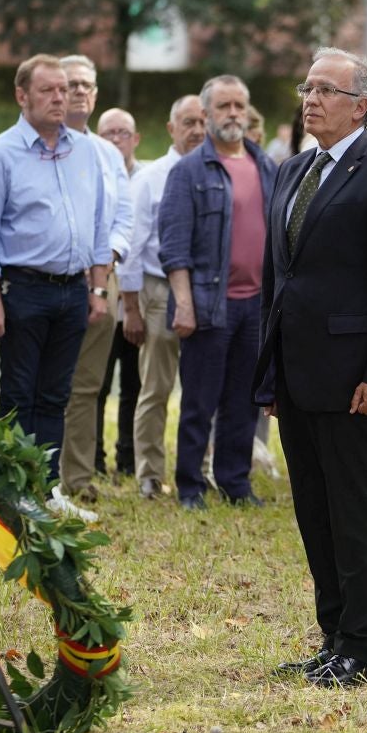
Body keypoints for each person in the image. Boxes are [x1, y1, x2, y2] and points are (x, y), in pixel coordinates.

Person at [256, 47, 367, 688]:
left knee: (353, 509)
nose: (311, 98)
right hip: (295, 373)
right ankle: (331, 637)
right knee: (313, 509)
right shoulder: (292, 169)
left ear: (361, 105)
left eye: (326, 89)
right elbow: (279, 279)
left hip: (354, 376)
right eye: (307, 87)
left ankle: (362, 645)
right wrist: (268, 373)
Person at [0, 54, 111, 481]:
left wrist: (98, 290)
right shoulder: (0, 154)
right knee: (18, 396)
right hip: (22, 291)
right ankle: (14, 489)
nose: (59, 98)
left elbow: (98, 224)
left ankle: (46, 489)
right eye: (47, 90)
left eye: (63, 89)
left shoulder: (85, 151)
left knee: (55, 395)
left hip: (72, 291)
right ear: (22, 95)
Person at [159, 75, 277, 509]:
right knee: (199, 402)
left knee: (243, 402)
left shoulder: (266, 166)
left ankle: (235, 482)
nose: (233, 114)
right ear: (206, 115)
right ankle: (190, 486)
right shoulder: (189, 171)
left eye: (239, 106)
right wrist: (184, 304)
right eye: (224, 106)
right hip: (209, 304)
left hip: (255, 306)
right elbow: (173, 247)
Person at [55, 56, 134, 511]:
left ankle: (78, 477)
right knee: (46, 383)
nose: (80, 91)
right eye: (71, 84)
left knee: (87, 385)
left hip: (103, 281)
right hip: (49, 283)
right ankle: (37, 472)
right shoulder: (29, 147)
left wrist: (104, 267)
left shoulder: (106, 154)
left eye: (87, 84)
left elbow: (123, 217)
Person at [119, 95, 207, 499]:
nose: (197, 130)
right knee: (155, 387)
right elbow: (133, 246)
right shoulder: (152, 178)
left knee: (204, 387)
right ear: (171, 129)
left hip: (208, 289)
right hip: (157, 289)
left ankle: (200, 469)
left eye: (202, 122)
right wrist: (131, 307)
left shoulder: (219, 170)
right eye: (188, 122)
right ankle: (150, 475)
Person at [95, 107, 144, 480]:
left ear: (136, 138)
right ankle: (92, 457)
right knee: (96, 383)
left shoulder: (149, 179)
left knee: (134, 384)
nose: (115, 140)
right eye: (108, 132)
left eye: (122, 132)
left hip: (140, 299)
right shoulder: (94, 174)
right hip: (101, 291)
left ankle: (127, 458)